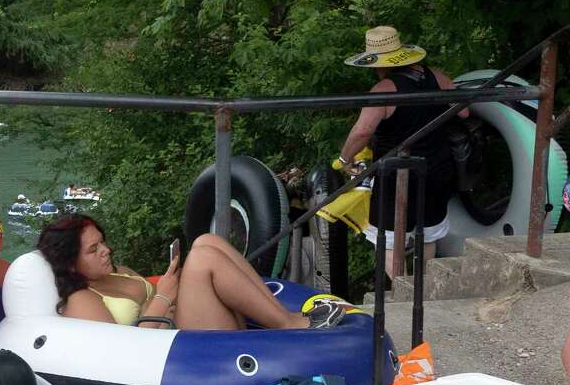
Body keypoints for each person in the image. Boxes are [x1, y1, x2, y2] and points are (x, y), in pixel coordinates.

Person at [36, 215, 346, 331]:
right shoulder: (82, 300)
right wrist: (163, 296)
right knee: (200, 260)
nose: (106, 250)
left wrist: (167, 295)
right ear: (71, 263)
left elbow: (155, 304)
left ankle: (280, 316)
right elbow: (120, 351)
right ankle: (291, 325)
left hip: (180, 324)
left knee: (206, 242)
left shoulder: (118, 273)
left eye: (102, 242)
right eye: (93, 250)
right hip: (177, 354)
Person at [338, 26, 469, 267]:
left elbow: (363, 131)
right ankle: (424, 285)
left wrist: (345, 160)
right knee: (428, 232)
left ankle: (402, 291)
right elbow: (464, 111)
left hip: (396, 174)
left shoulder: (383, 91)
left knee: (388, 239)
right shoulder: (438, 77)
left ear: (379, 64)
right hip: (438, 168)